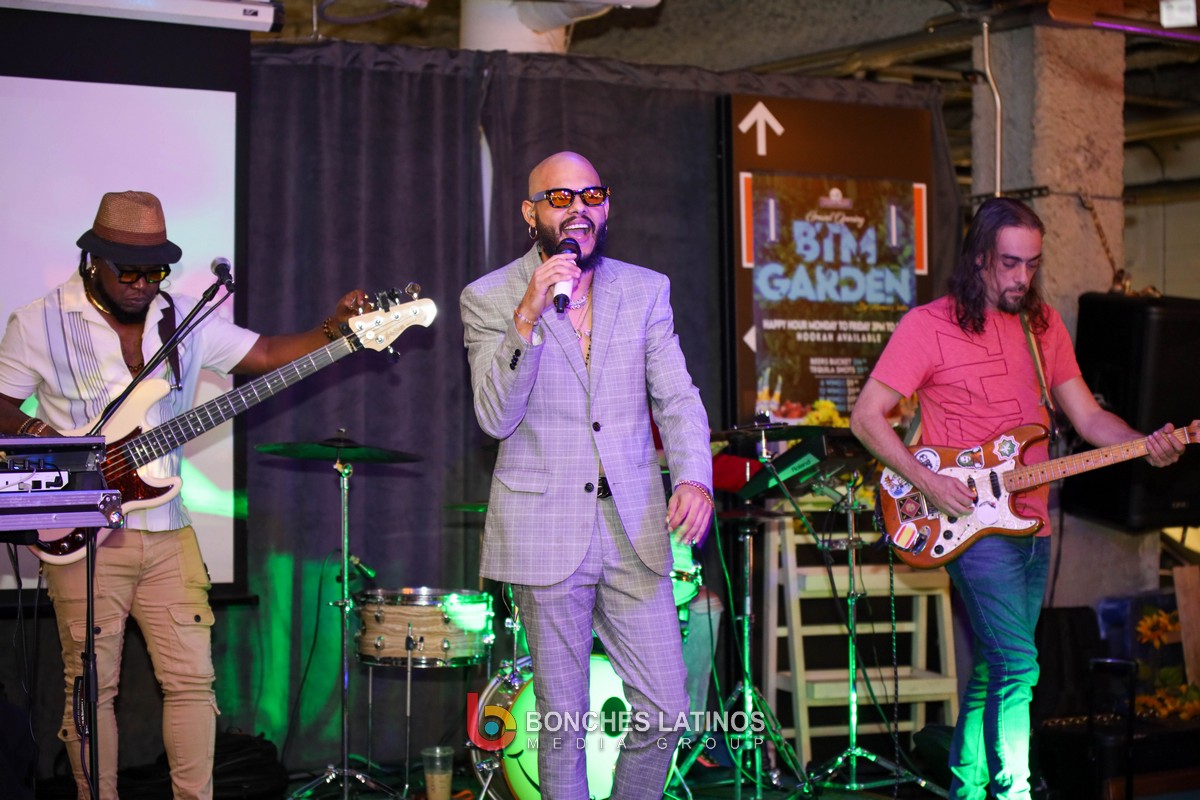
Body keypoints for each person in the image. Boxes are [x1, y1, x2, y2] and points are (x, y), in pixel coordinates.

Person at [0, 190, 366, 800]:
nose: (144, 285)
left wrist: (334, 331)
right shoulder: (39, 320)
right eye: (130, 272)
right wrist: (46, 437)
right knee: (91, 688)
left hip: (169, 528)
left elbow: (266, 354)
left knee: (193, 683)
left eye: (155, 272)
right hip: (84, 533)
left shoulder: (183, 320)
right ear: (94, 261)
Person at [849, 197, 1192, 800]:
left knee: (995, 667)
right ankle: (1014, 792)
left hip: (1031, 523)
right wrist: (929, 482)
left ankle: (967, 787)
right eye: (1010, 263)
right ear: (980, 257)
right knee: (1019, 664)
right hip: (966, 521)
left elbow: (1088, 417)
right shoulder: (928, 326)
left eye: (1032, 264)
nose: (1022, 278)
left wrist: (1145, 444)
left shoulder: (1044, 327)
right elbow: (866, 417)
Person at [460, 152, 714, 799]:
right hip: (544, 527)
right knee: (562, 721)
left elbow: (677, 397)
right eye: (561, 198)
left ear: (607, 206)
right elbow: (494, 416)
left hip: (634, 524)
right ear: (531, 213)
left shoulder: (645, 289)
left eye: (592, 195)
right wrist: (526, 318)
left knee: (666, 706)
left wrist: (694, 477)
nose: (579, 209)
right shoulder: (490, 297)